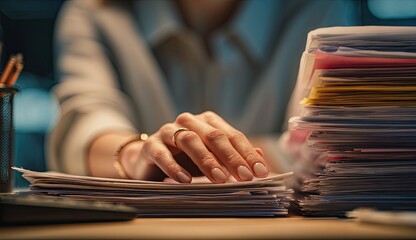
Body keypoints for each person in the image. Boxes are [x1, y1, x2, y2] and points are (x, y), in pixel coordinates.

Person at [48, 0, 359, 183]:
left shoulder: (318, 9)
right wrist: (137, 155)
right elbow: (84, 122)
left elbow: (329, 147)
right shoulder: (95, 12)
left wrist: (191, 153)